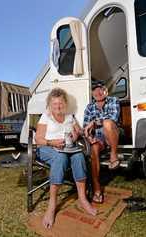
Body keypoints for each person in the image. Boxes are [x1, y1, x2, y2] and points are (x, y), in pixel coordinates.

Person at [35, 88, 97, 229]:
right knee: (60, 158)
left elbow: (79, 131)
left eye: (61, 103)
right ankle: (52, 204)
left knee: (79, 155)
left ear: (65, 103)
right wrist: (52, 143)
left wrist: (76, 135)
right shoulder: (46, 116)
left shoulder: (69, 116)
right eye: (55, 103)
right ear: (50, 104)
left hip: (67, 148)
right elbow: (38, 139)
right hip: (47, 148)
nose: (58, 106)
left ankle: (82, 198)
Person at [83, 80, 120, 204]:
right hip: (99, 137)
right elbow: (85, 127)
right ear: (92, 93)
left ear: (106, 91)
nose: (98, 92)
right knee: (93, 149)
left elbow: (113, 118)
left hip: (112, 133)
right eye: (95, 90)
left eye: (101, 89)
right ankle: (97, 189)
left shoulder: (114, 100)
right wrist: (89, 137)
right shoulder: (89, 107)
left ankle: (113, 154)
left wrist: (94, 122)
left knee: (107, 123)